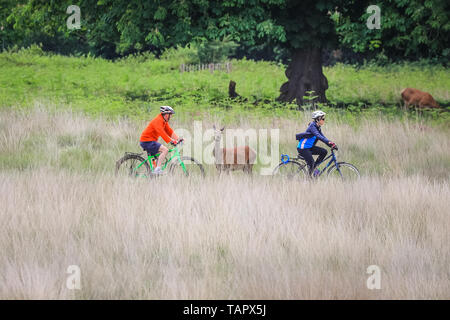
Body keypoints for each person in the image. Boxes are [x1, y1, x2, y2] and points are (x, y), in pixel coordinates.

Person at [140, 106, 181, 174]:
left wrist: (178, 139)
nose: (171, 116)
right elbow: (162, 133)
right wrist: (171, 141)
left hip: (150, 141)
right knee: (165, 150)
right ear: (166, 114)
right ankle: (157, 169)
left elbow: (169, 131)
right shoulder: (158, 120)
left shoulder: (164, 121)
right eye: (170, 115)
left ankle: (154, 172)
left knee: (158, 157)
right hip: (147, 141)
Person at [296, 110, 336, 177]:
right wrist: (329, 142)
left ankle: (314, 167)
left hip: (309, 147)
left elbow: (323, 137)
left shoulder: (318, 127)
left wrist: (331, 144)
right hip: (303, 148)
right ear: (318, 119)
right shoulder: (312, 126)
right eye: (322, 119)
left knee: (324, 152)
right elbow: (319, 136)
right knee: (311, 163)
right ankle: (308, 178)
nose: (324, 120)